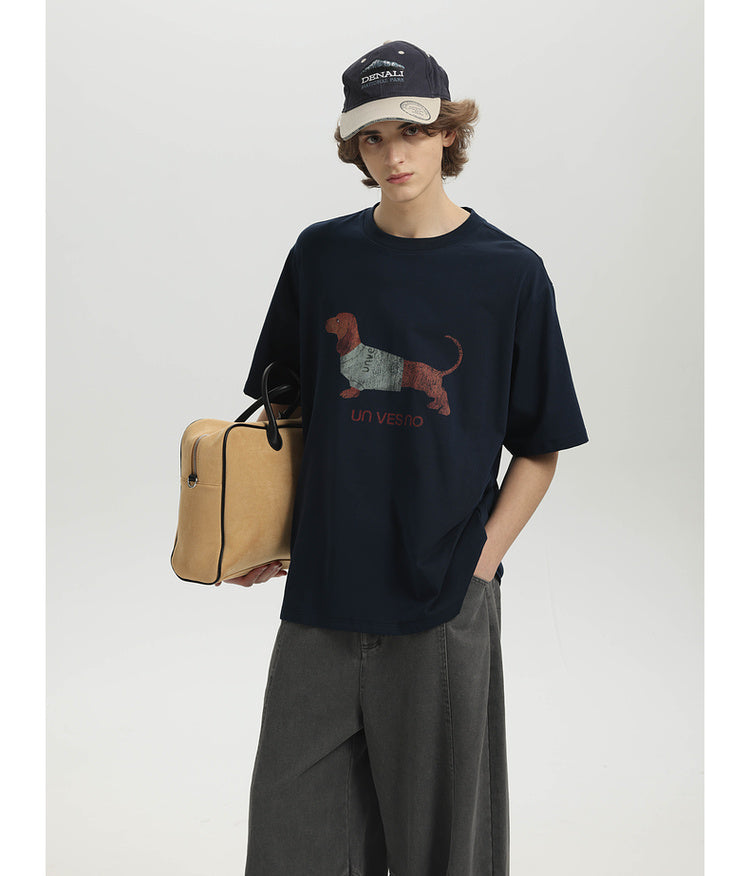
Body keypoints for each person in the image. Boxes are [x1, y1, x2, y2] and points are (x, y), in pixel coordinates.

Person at [220, 38, 589, 876]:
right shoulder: (321, 256)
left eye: (413, 131)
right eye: (374, 137)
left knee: (443, 852)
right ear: (354, 146)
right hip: (322, 595)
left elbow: (540, 448)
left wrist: (480, 565)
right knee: (290, 843)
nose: (394, 155)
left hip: (441, 598)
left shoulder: (511, 274)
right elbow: (287, 412)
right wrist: (266, 535)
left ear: (448, 132)